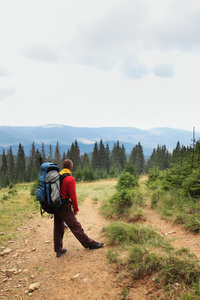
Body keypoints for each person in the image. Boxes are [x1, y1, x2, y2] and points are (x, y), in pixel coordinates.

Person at [54, 159, 104, 257]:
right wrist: (76, 209)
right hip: (64, 207)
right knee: (76, 226)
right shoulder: (70, 179)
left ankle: (58, 250)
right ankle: (90, 244)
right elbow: (73, 196)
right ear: (71, 167)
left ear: (63, 166)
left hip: (56, 206)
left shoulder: (58, 176)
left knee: (58, 228)